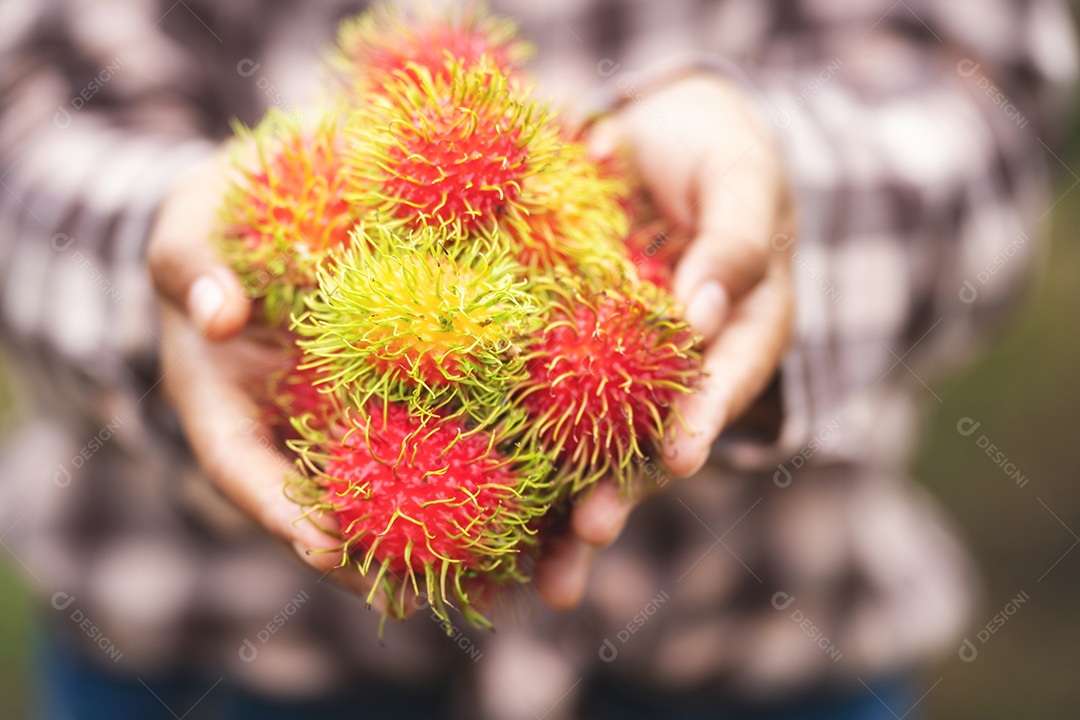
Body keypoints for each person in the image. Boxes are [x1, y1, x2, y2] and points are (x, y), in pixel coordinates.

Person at [0, 0, 1074, 718]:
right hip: (196, 671)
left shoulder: (584, 281)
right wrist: (171, 254)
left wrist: (771, 202)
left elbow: (986, 100)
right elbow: (26, 114)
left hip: (773, 669)